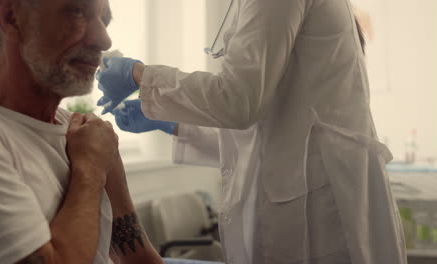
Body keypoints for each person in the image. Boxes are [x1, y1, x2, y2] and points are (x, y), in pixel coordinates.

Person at [97, 0, 408, 263]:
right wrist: (171, 123)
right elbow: (263, 132)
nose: (102, 40)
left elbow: (239, 102)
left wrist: (139, 75)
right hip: (306, 191)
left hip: (322, 214)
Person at [0, 0, 163, 263]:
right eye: (76, 12)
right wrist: (91, 170)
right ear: (11, 18)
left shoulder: (89, 134)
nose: (103, 40)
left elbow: (138, 258)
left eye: (104, 20)